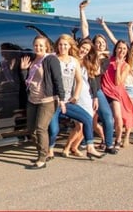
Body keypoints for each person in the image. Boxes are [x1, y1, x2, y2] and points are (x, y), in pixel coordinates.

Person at [20, 35, 65, 169]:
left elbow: (58, 79)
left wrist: (62, 99)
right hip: (32, 99)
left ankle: (42, 158)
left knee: (41, 128)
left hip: (48, 99)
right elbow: (27, 82)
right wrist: (23, 70)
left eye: (41, 45)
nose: (38, 47)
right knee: (31, 129)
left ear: (46, 47)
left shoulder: (50, 59)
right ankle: (43, 152)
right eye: (36, 45)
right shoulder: (34, 61)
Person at [79, 0, 118, 154]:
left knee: (108, 117)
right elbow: (85, 29)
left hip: (97, 90)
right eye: (98, 42)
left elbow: (95, 72)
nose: (100, 44)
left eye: (103, 43)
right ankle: (83, 142)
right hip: (82, 88)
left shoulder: (106, 59)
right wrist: (82, 11)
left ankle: (109, 144)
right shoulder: (87, 52)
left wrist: (100, 55)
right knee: (84, 118)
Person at [56, 37, 103, 160]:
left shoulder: (88, 62)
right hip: (74, 95)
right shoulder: (71, 59)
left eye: (87, 50)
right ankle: (67, 148)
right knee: (79, 126)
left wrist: (95, 97)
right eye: (83, 48)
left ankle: (75, 147)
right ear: (78, 46)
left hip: (86, 96)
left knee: (87, 122)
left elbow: (92, 81)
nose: (84, 51)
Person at [100, 39, 133, 151]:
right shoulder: (108, 60)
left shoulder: (126, 65)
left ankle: (118, 139)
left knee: (118, 117)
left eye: (124, 48)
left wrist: (118, 66)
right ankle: (104, 139)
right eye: (119, 48)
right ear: (115, 49)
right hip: (103, 91)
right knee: (103, 117)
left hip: (115, 93)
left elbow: (118, 82)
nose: (121, 50)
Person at [47, 34, 82, 160]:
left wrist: (76, 95)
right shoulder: (52, 58)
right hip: (54, 100)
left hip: (69, 100)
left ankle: (68, 148)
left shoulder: (74, 61)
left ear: (69, 46)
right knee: (54, 129)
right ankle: (50, 149)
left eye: (65, 44)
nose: (62, 47)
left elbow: (79, 81)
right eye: (60, 44)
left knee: (81, 124)